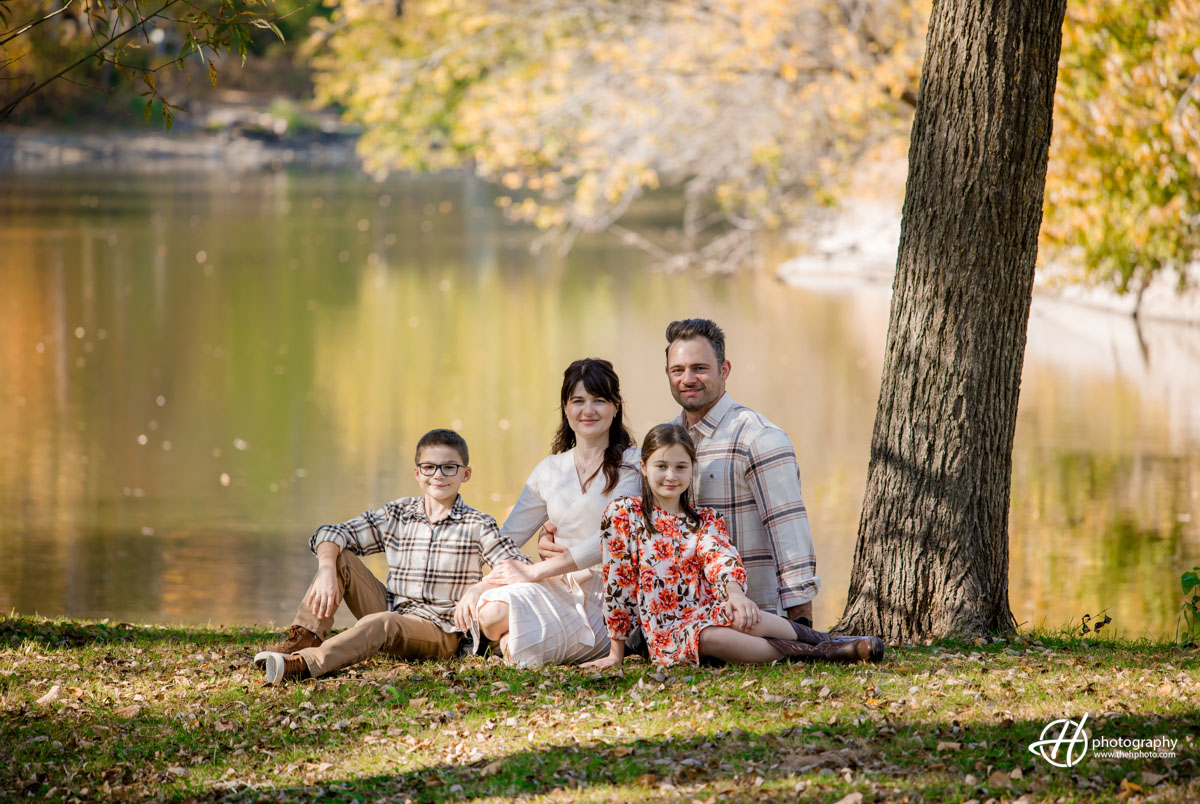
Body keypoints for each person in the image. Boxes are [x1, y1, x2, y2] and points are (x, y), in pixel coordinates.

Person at [583, 423, 883, 669]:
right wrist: (615, 653)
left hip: (707, 610)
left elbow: (720, 558)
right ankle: (824, 654)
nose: (671, 476)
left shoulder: (704, 519)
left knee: (740, 617)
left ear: (692, 469)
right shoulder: (625, 513)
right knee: (707, 636)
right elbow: (618, 583)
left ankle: (833, 641)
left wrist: (736, 595)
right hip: (666, 630)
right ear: (644, 467)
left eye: (680, 466)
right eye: (661, 465)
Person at [252, 429, 530, 683]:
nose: (439, 475)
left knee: (382, 623)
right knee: (340, 557)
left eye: (449, 467)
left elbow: (520, 567)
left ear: (465, 474)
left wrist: (480, 588)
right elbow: (332, 532)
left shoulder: (478, 524)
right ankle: (304, 639)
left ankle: (304, 665)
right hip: (391, 608)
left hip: (441, 631)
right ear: (417, 473)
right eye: (429, 467)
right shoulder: (397, 514)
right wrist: (326, 569)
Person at [474, 358, 642, 667]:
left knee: (514, 642)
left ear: (616, 406)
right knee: (489, 613)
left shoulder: (632, 466)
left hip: (608, 597)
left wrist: (535, 571)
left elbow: (611, 539)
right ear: (565, 408)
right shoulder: (550, 470)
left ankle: (520, 643)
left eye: (599, 401)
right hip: (558, 586)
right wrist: (479, 585)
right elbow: (506, 538)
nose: (588, 411)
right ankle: (520, 638)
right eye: (578, 401)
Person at [662, 318, 820, 628]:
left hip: (753, 619)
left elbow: (789, 534)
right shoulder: (667, 441)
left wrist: (801, 628)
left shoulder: (758, 438)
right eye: (677, 370)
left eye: (700, 368)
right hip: (688, 618)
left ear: (724, 370)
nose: (688, 378)